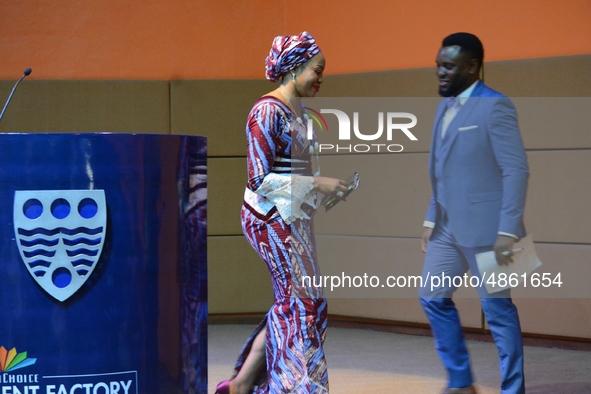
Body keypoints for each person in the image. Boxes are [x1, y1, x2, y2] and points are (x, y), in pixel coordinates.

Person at [215, 32, 347, 394]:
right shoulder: (266, 112)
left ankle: (242, 384)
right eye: (317, 70)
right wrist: (318, 185)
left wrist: (324, 191)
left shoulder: (301, 111)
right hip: (269, 219)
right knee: (302, 303)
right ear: (294, 67)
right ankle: (299, 387)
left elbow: (298, 171)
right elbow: (259, 180)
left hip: (294, 216)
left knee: (303, 301)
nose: (321, 77)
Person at [419, 32, 529, 394]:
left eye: (448, 66)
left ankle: (513, 389)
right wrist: (431, 218)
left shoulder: (496, 105)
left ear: (472, 66)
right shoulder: (443, 106)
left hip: (490, 230)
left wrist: (509, 232)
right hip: (447, 227)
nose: (440, 73)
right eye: (438, 65)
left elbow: (516, 170)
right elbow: (441, 168)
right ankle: (462, 381)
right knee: (432, 297)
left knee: (498, 312)